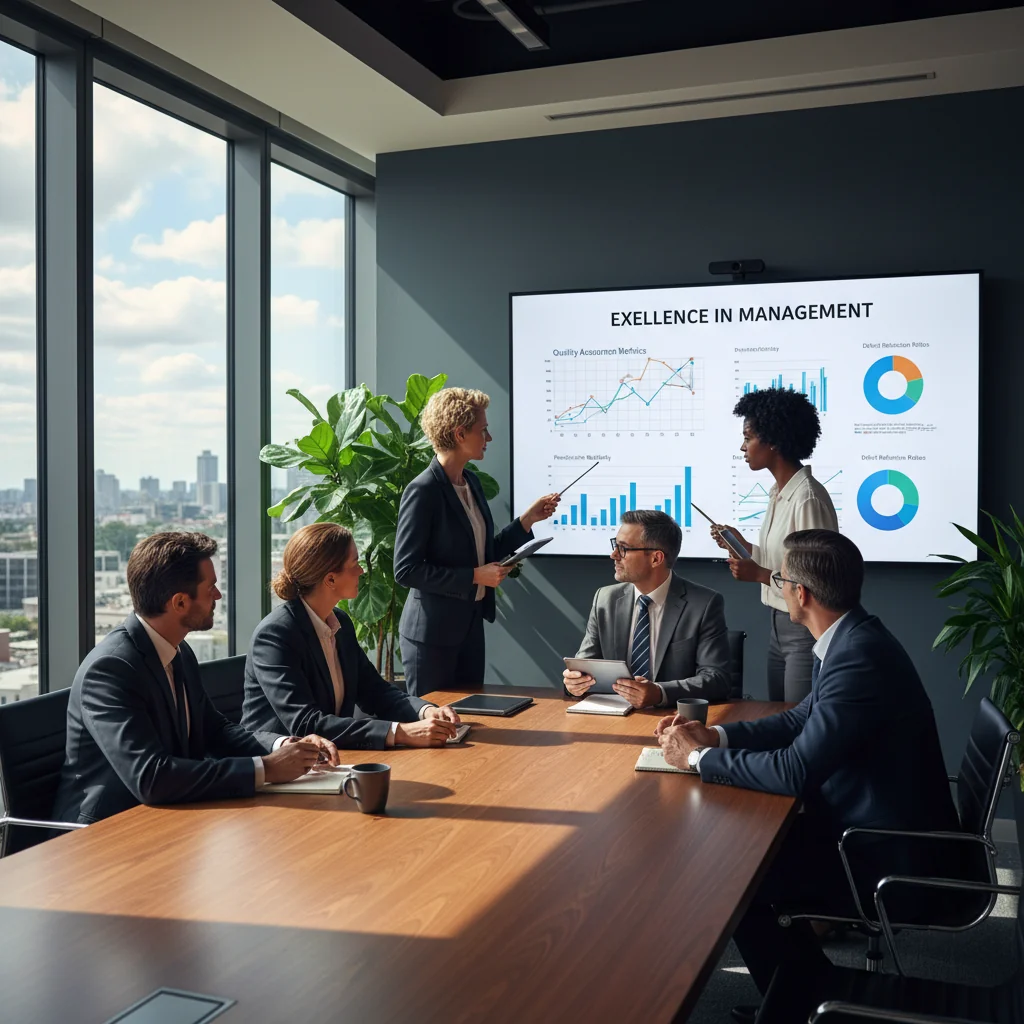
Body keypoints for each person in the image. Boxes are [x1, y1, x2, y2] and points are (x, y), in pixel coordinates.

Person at [656, 530, 960, 1019]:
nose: (777, 585)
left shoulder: (857, 655)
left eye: (780, 578)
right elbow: (801, 720)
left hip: (884, 851)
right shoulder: (852, 637)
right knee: (744, 860)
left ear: (801, 594)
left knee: (740, 879)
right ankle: (807, 998)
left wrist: (695, 760)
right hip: (864, 823)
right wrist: (717, 739)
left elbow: (796, 770)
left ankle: (799, 1008)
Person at [54, 533, 339, 824]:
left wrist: (285, 746)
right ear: (179, 603)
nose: (217, 595)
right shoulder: (111, 669)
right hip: (105, 832)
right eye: (211, 587)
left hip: (170, 815)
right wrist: (265, 769)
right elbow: (152, 777)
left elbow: (215, 730)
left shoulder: (177, 651)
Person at [394, 387, 560, 697]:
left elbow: (484, 553)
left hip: (469, 628)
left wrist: (527, 521)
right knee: (434, 727)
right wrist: (473, 576)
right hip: (431, 637)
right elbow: (406, 570)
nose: (489, 437)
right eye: (483, 430)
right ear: (459, 434)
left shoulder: (471, 483)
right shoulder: (423, 491)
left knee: (471, 722)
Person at [242, 523, 462, 748]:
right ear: (330, 580)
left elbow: (374, 691)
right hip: (276, 765)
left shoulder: (340, 623)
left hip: (330, 759)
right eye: (354, 563)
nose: (362, 571)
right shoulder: (275, 635)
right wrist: (401, 732)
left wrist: (426, 711)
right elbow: (306, 723)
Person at [710, 388, 838, 702]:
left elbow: (816, 582)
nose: (743, 446)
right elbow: (788, 562)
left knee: (798, 725)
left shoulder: (807, 498)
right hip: (778, 629)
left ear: (773, 441)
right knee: (778, 719)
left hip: (804, 631)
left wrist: (760, 575)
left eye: (748, 437)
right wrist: (742, 546)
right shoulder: (777, 493)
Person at [563, 510, 730, 707]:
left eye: (623, 548)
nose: (613, 555)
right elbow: (584, 665)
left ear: (656, 559)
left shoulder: (703, 604)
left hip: (672, 721)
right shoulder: (605, 599)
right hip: (613, 716)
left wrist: (659, 693)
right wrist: (574, 682)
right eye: (615, 545)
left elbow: (717, 679)